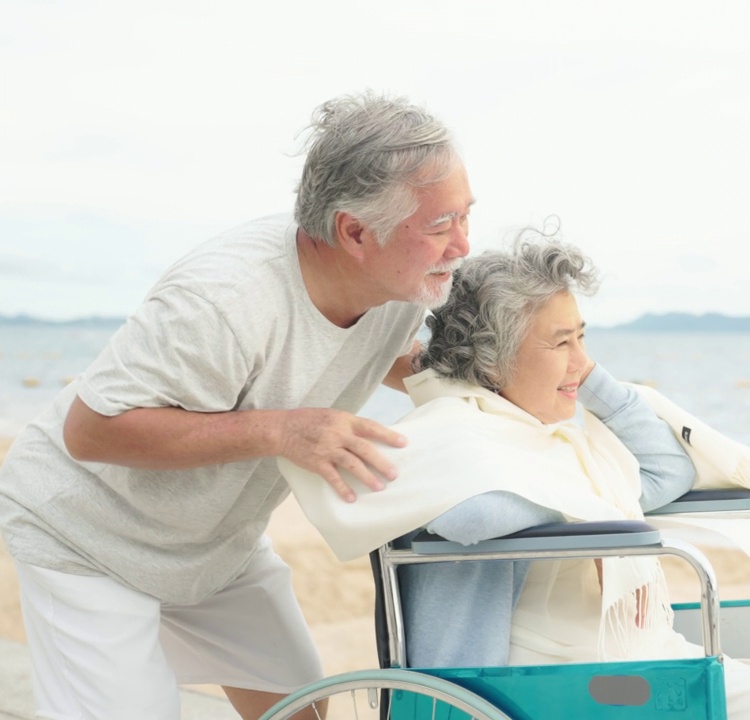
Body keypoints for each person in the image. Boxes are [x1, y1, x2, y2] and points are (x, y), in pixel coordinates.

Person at [0, 90, 474, 719]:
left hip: (215, 547)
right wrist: (283, 431)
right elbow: (91, 431)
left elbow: (388, 356)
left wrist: (504, 388)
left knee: (302, 713)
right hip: (87, 537)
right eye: (441, 225)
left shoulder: (403, 284)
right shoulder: (223, 300)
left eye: (466, 216)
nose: (462, 245)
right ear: (355, 232)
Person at [281, 237, 750, 719]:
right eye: (561, 342)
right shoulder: (458, 431)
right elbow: (467, 516)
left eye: (583, 337)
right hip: (565, 684)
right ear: (496, 358)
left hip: (629, 661)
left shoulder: (552, 445)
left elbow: (667, 469)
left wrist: (589, 379)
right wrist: (577, 501)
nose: (579, 358)